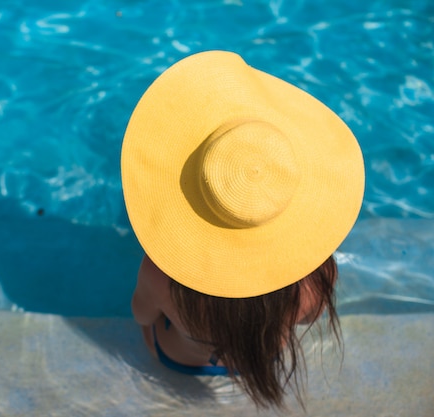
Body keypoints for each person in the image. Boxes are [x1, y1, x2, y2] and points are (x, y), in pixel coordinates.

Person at [120, 51, 365, 409]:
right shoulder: (315, 281)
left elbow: (142, 316)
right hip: (260, 360)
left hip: (176, 358)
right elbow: (309, 317)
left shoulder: (159, 275)